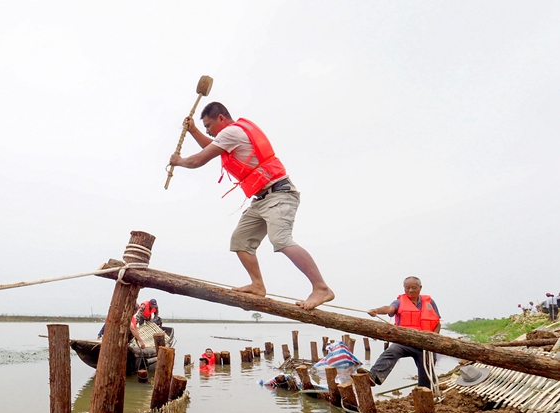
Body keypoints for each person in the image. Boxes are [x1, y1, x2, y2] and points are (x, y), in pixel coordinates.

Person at [168, 102, 334, 310]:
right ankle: (257, 285)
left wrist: (179, 161)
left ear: (221, 118)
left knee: (280, 239)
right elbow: (209, 146)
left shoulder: (232, 132)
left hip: (279, 194)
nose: (208, 131)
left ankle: (321, 288)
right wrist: (193, 130)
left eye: (208, 126)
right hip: (262, 199)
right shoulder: (230, 135)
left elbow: (199, 159)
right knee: (240, 240)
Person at [366, 277, 441, 387]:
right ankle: (374, 376)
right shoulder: (399, 302)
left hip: (425, 345)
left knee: (427, 374)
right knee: (391, 351)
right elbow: (389, 309)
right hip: (404, 342)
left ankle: (425, 391)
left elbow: (437, 323)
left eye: (414, 287)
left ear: (420, 288)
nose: (410, 290)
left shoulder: (429, 302)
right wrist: (376, 311)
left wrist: (433, 339)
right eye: (407, 288)